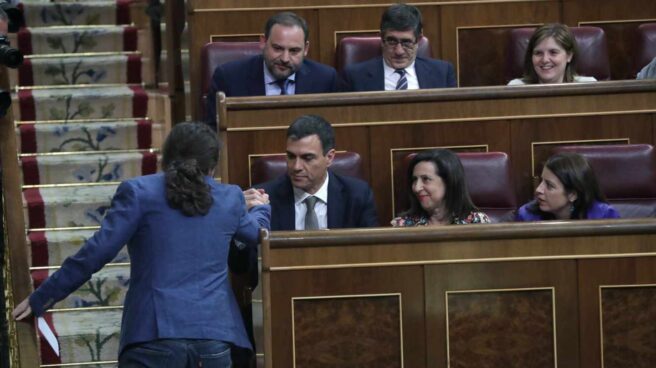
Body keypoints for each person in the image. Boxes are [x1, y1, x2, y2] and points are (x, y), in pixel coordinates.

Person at [12, 122, 271, 367]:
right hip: (214, 339)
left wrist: (42, 297)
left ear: (165, 158)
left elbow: (97, 252)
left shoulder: (139, 192)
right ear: (212, 168)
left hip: (153, 335)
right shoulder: (230, 198)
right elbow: (258, 234)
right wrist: (262, 208)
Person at [206, 12, 337, 127]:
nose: (285, 58)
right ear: (263, 42)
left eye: (294, 51)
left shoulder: (325, 79)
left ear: (306, 49)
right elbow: (213, 133)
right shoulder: (229, 77)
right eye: (278, 48)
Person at [340, 3, 456, 92]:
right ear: (381, 38)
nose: (399, 51)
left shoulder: (442, 73)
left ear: (418, 40)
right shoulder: (354, 77)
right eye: (392, 41)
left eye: (406, 42)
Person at [391, 149, 490, 226]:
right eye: (414, 180)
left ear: (449, 181)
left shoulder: (476, 222)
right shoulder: (403, 225)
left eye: (426, 179)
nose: (416, 188)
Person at [516, 153, 620, 221]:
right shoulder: (527, 216)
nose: (538, 190)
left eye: (549, 185)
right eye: (541, 181)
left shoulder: (604, 217)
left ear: (572, 194)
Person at [508, 23, 597, 85]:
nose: (545, 60)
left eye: (553, 52)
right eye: (538, 53)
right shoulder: (516, 87)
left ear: (569, 56)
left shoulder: (588, 86)